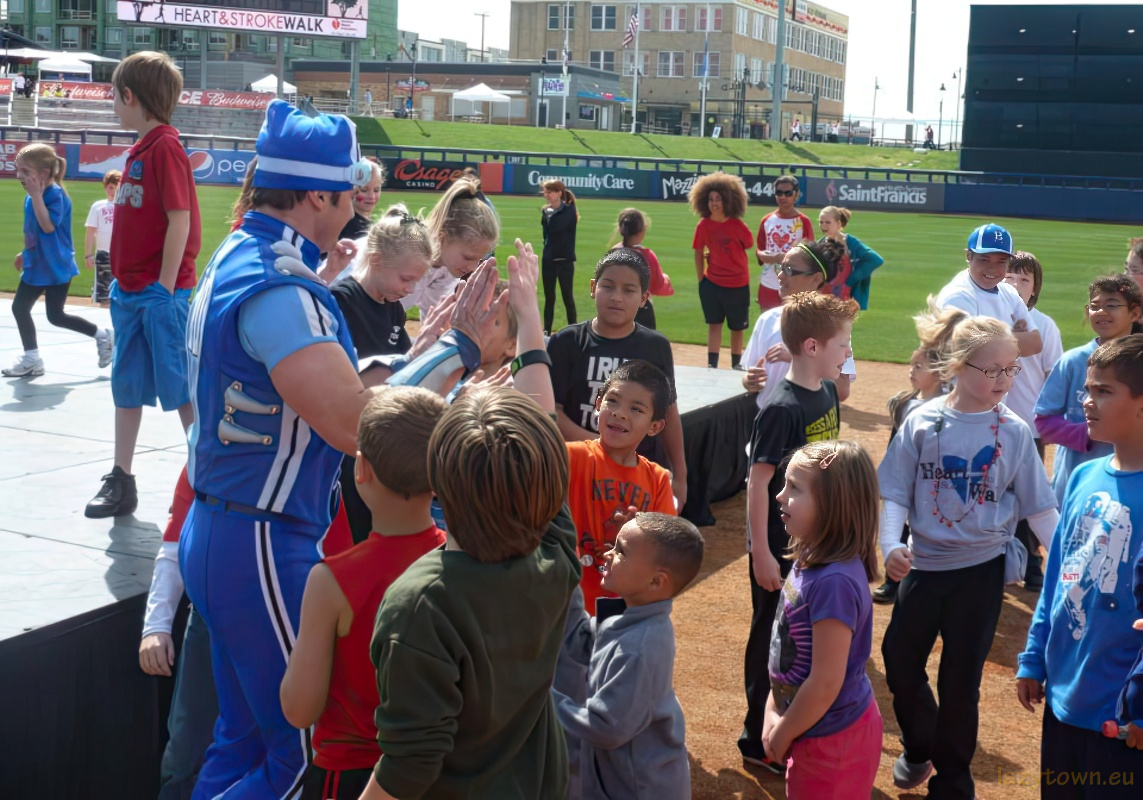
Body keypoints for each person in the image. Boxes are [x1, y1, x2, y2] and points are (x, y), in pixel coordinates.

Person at [178, 99, 380, 799]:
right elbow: (356, 427)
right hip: (261, 535)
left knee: (239, 741)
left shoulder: (240, 252)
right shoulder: (281, 282)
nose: (358, 200)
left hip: (225, 526)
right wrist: (458, 350)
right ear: (318, 194)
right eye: (350, 187)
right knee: (305, 751)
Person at [359, 244, 581, 799]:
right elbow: (541, 436)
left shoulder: (421, 601)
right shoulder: (554, 556)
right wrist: (529, 320)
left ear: (439, 483)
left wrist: (444, 350)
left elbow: (407, 768)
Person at [879, 314, 1059, 798]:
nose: (1003, 380)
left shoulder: (1016, 432)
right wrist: (891, 546)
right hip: (925, 565)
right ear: (959, 366)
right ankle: (920, 747)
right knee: (898, 660)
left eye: (1011, 370)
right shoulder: (923, 420)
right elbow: (895, 492)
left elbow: (1041, 510)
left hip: (980, 573)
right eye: (992, 370)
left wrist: (1068, 565)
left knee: (961, 681)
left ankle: (954, 780)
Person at [280, 387, 449, 800]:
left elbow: (299, 709)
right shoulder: (463, 560)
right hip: (438, 773)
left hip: (351, 776)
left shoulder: (332, 580)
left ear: (361, 470)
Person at [1017, 335, 1143, 796]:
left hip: (1123, 715)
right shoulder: (1086, 475)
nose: (1086, 401)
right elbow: (1059, 575)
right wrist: (1034, 657)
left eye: (1104, 391)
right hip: (1065, 696)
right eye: (1087, 389)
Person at [740, 291, 857, 773]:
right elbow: (758, 480)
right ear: (812, 347)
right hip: (779, 545)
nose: (847, 354)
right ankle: (756, 736)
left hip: (814, 542)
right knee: (772, 637)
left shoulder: (827, 392)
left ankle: (790, 723)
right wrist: (761, 553)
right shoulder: (782, 407)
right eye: (843, 345)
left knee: (801, 639)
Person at [84, 51, 201, 519]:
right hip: (132, 293)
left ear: (130, 96)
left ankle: (206, 476)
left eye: (115, 95)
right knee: (126, 386)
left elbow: (180, 220)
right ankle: (122, 478)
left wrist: (166, 288)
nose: (114, 103)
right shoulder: (140, 149)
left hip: (159, 296)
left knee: (182, 390)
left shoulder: (166, 148)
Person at [553, 512, 703, 800]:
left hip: (640, 790)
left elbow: (606, 727)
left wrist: (545, 701)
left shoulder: (641, 646)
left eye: (621, 550)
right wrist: (567, 576)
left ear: (656, 582)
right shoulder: (628, 617)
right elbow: (580, 642)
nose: (609, 553)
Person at [763, 441, 883, 797]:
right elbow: (789, 647)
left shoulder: (834, 582)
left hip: (832, 743)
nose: (780, 496)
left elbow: (826, 681)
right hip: (810, 730)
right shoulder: (809, 558)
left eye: (795, 488)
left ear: (833, 504)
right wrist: (773, 710)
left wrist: (783, 732)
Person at [547, 248, 689, 508]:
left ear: (645, 297)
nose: (616, 298)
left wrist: (681, 474)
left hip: (637, 475)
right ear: (593, 287)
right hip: (577, 471)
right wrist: (602, 449)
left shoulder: (654, 346)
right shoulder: (567, 341)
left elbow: (668, 411)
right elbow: (551, 411)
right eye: (608, 286)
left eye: (629, 290)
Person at [330, 206, 435, 544]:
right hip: (344, 450)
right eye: (407, 279)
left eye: (417, 281)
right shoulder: (341, 301)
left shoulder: (391, 307)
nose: (410, 290)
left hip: (377, 443)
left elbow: (405, 366)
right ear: (375, 260)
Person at [138, 472, 219, 800]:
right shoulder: (205, 449)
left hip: (283, 628)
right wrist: (156, 625)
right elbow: (173, 547)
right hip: (210, 620)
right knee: (185, 755)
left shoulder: (309, 456)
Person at [3, 143, 111, 378]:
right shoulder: (33, 196)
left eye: (26, 171)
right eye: (17, 170)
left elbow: (48, 227)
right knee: (39, 312)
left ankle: (100, 336)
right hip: (39, 262)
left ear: (44, 173)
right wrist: (25, 251)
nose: (19, 175)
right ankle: (99, 336)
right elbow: (34, 231)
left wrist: (36, 195)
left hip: (54, 265)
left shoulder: (54, 195)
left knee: (37, 311)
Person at [1036, 275, 1142, 505]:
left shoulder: (1139, 363)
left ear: (1134, 313)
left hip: (1130, 487)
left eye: (1111, 305)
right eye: (1094, 306)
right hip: (1074, 488)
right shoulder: (1073, 361)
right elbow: (1043, 421)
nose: (1101, 312)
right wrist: (1088, 434)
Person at [872, 335, 950, 605]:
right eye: (911, 365)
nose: (911, 370)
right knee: (899, 527)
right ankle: (892, 581)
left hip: (930, 479)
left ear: (940, 373)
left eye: (919, 366)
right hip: (907, 478)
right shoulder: (904, 402)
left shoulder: (947, 406)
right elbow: (895, 443)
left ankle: (920, 576)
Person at [1003, 251, 1064, 591]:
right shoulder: (986, 318)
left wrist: (1048, 423)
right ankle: (992, 559)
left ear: (1034, 289)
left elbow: (1054, 378)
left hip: (1028, 427)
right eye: (1010, 276)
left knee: (1029, 496)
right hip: (986, 423)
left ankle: (1033, 564)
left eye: (1024, 279)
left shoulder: (1045, 326)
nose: (1015, 283)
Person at [741, 239, 856, 410]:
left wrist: (796, 358)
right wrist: (749, 380)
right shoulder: (767, 320)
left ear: (816, 279)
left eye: (789, 270)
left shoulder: (835, 326)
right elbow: (747, 373)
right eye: (781, 267)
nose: (780, 275)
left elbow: (842, 390)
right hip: (767, 421)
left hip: (810, 427)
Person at [934, 222, 1043, 357]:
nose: (992, 268)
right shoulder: (956, 296)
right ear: (969, 256)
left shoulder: (1009, 293)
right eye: (985, 260)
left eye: (1001, 262)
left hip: (1000, 377)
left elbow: (1035, 344)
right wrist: (1013, 335)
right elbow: (968, 351)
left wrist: (987, 338)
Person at [400, 176, 500, 322]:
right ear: (442, 238)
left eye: (479, 260)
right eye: (468, 257)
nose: (472, 268)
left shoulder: (447, 267)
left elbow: (432, 315)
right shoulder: (406, 251)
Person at [689, 172, 754, 370]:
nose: (714, 203)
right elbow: (698, 251)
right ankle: (712, 364)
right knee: (714, 324)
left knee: (737, 327)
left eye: (718, 199)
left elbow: (749, 243)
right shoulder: (704, 224)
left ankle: (736, 364)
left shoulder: (738, 225)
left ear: (728, 200)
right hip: (712, 284)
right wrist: (702, 279)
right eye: (710, 199)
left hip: (738, 284)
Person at [756, 175, 815, 311]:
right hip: (768, 283)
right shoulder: (767, 220)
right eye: (779, 193)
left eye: (788, 193)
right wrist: (765, 256)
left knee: (792, 328)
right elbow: (760, 249)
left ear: (796, 194)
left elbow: (809, 254)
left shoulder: (802, 221)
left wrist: (785, 258)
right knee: (769, 327)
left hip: (794, 285)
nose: (783, 197)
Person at [612, 207, 673, 330]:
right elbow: (658, 286)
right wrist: (666, 280)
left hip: (614, 308)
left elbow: (597, 283)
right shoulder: (647, 256)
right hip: (641, 309)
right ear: (642, 232)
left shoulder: (613, 253)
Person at [816, 205, 884, 308]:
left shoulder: (851, 243)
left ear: (838, 223)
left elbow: (876, 260)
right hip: (825, 297)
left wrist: (849, 283)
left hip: (846, 298)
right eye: (821, 222)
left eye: (828, 222)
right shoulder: (820, 243)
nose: (823, 226)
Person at [541, 178, 579, 333]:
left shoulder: (569, 211)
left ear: (559, 193)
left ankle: (574, 329)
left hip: (564, 261)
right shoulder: (546, 212)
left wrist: (550, 216)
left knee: (567, 297)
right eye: (545, 192)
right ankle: (547, 330)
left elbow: (558, 229)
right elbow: (546, 236)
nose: (546, 195)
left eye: (549, 192)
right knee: (549, 298)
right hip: (549, 260)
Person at [84, 169, 120, 308]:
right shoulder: (98, 206)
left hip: (122, 255)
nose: (113, 191)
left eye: (117, 188)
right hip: (104, 254)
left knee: (122, 293)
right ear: (106, 187)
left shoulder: (125, 207)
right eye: (111, 187)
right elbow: (91, 230)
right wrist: (88, 255)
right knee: (104, 294)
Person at [339, 160, 384, 241]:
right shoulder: (351, 228)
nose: (372, 196)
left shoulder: (362, 223)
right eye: (364, 190)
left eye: (376, 190)